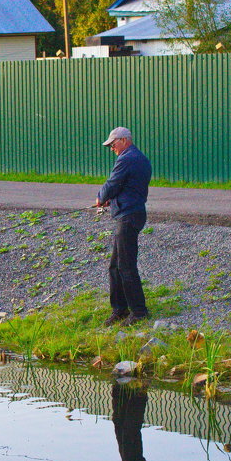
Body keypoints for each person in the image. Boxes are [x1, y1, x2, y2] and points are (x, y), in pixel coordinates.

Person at [94, 126, 152, 326]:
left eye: (113, 144)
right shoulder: (139, 157)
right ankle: (119, 309)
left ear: (124, 140)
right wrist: (113, 199)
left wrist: (101, 197)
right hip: (131, 212)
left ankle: (138, 312)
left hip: (128, 216)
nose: (111, 148)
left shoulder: (126, 158)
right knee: (115, 266)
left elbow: (112, 183)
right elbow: (128, 187)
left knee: (125, 266)